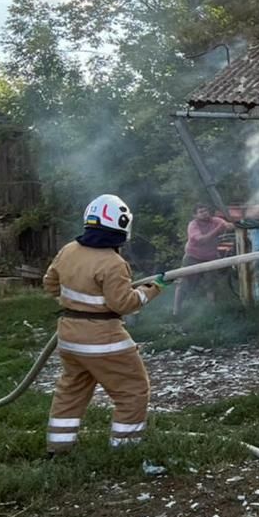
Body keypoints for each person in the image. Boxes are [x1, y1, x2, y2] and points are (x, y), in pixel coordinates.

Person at [42, 194, 164, 455]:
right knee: (132, 389)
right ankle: (125, 449)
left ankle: (57, 448)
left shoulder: (68, 250)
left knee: (71, 390)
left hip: (69, 336)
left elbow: (50, 284)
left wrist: (74, 305)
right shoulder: (113, 262)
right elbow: (125, 304)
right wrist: (154, 289)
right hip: (103, 339)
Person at [175, 205, 234, 312]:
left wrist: (230, 225)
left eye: (205, 210)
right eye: (201, 212)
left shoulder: (216, 221)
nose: (204, 213)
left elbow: (228, 225)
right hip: (192, 257)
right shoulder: (193, 225)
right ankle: (176, 310)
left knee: (211, 284)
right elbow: (200, 240)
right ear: (195, 215)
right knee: (183, 283)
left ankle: (212, 310)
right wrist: (217, 230)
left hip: (210, 257)